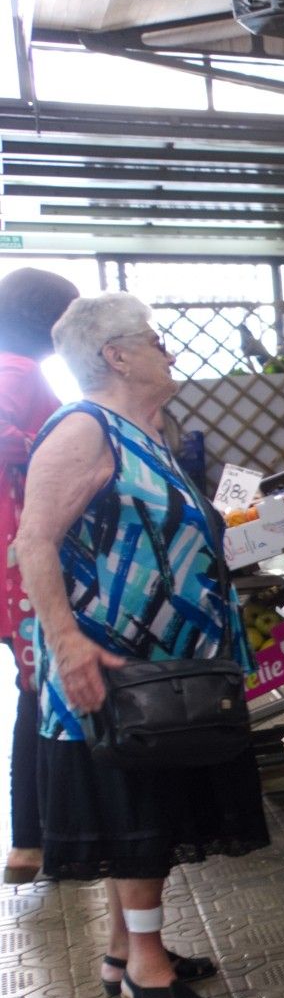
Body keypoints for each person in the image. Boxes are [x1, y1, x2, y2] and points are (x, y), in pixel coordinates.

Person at [15, 292, 267, 998]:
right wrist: (66, 644)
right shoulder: (83, 428)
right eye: (156, 340)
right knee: (134, 814)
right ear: (116, 355)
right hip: (113, 665)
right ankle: (147, 973)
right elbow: (32, 543)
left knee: (148, 809)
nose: (171, 351)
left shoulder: (138, 429)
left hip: (159, 663)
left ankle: (126, 952)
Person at [0, 269, 80, 885]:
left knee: (35, 689)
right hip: (18, 562)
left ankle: (36, 836)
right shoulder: (17, 370)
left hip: (14, 557)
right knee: (39, 690)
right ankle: (32, 839)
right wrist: (48, 447)